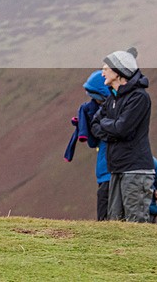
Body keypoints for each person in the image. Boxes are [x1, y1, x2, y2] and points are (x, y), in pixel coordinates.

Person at [91, 47, 155, 222]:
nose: (102, 73)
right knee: (116, 224)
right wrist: (112, 128)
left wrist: (108, 126)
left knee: (135, 225)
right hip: (117, 169)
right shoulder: (112, 99)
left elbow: (122, 129)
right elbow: (94, 125)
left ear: (119, 72)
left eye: (105, 69)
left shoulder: (139, 98)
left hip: (136, 170)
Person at [64, 70, 112, 220]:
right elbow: (93, 142)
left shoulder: (115, 115)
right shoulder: (102, 113)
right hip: (105, 173)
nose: (94, 102)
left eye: (96, 99)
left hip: (111, 173)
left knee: (109, 216)